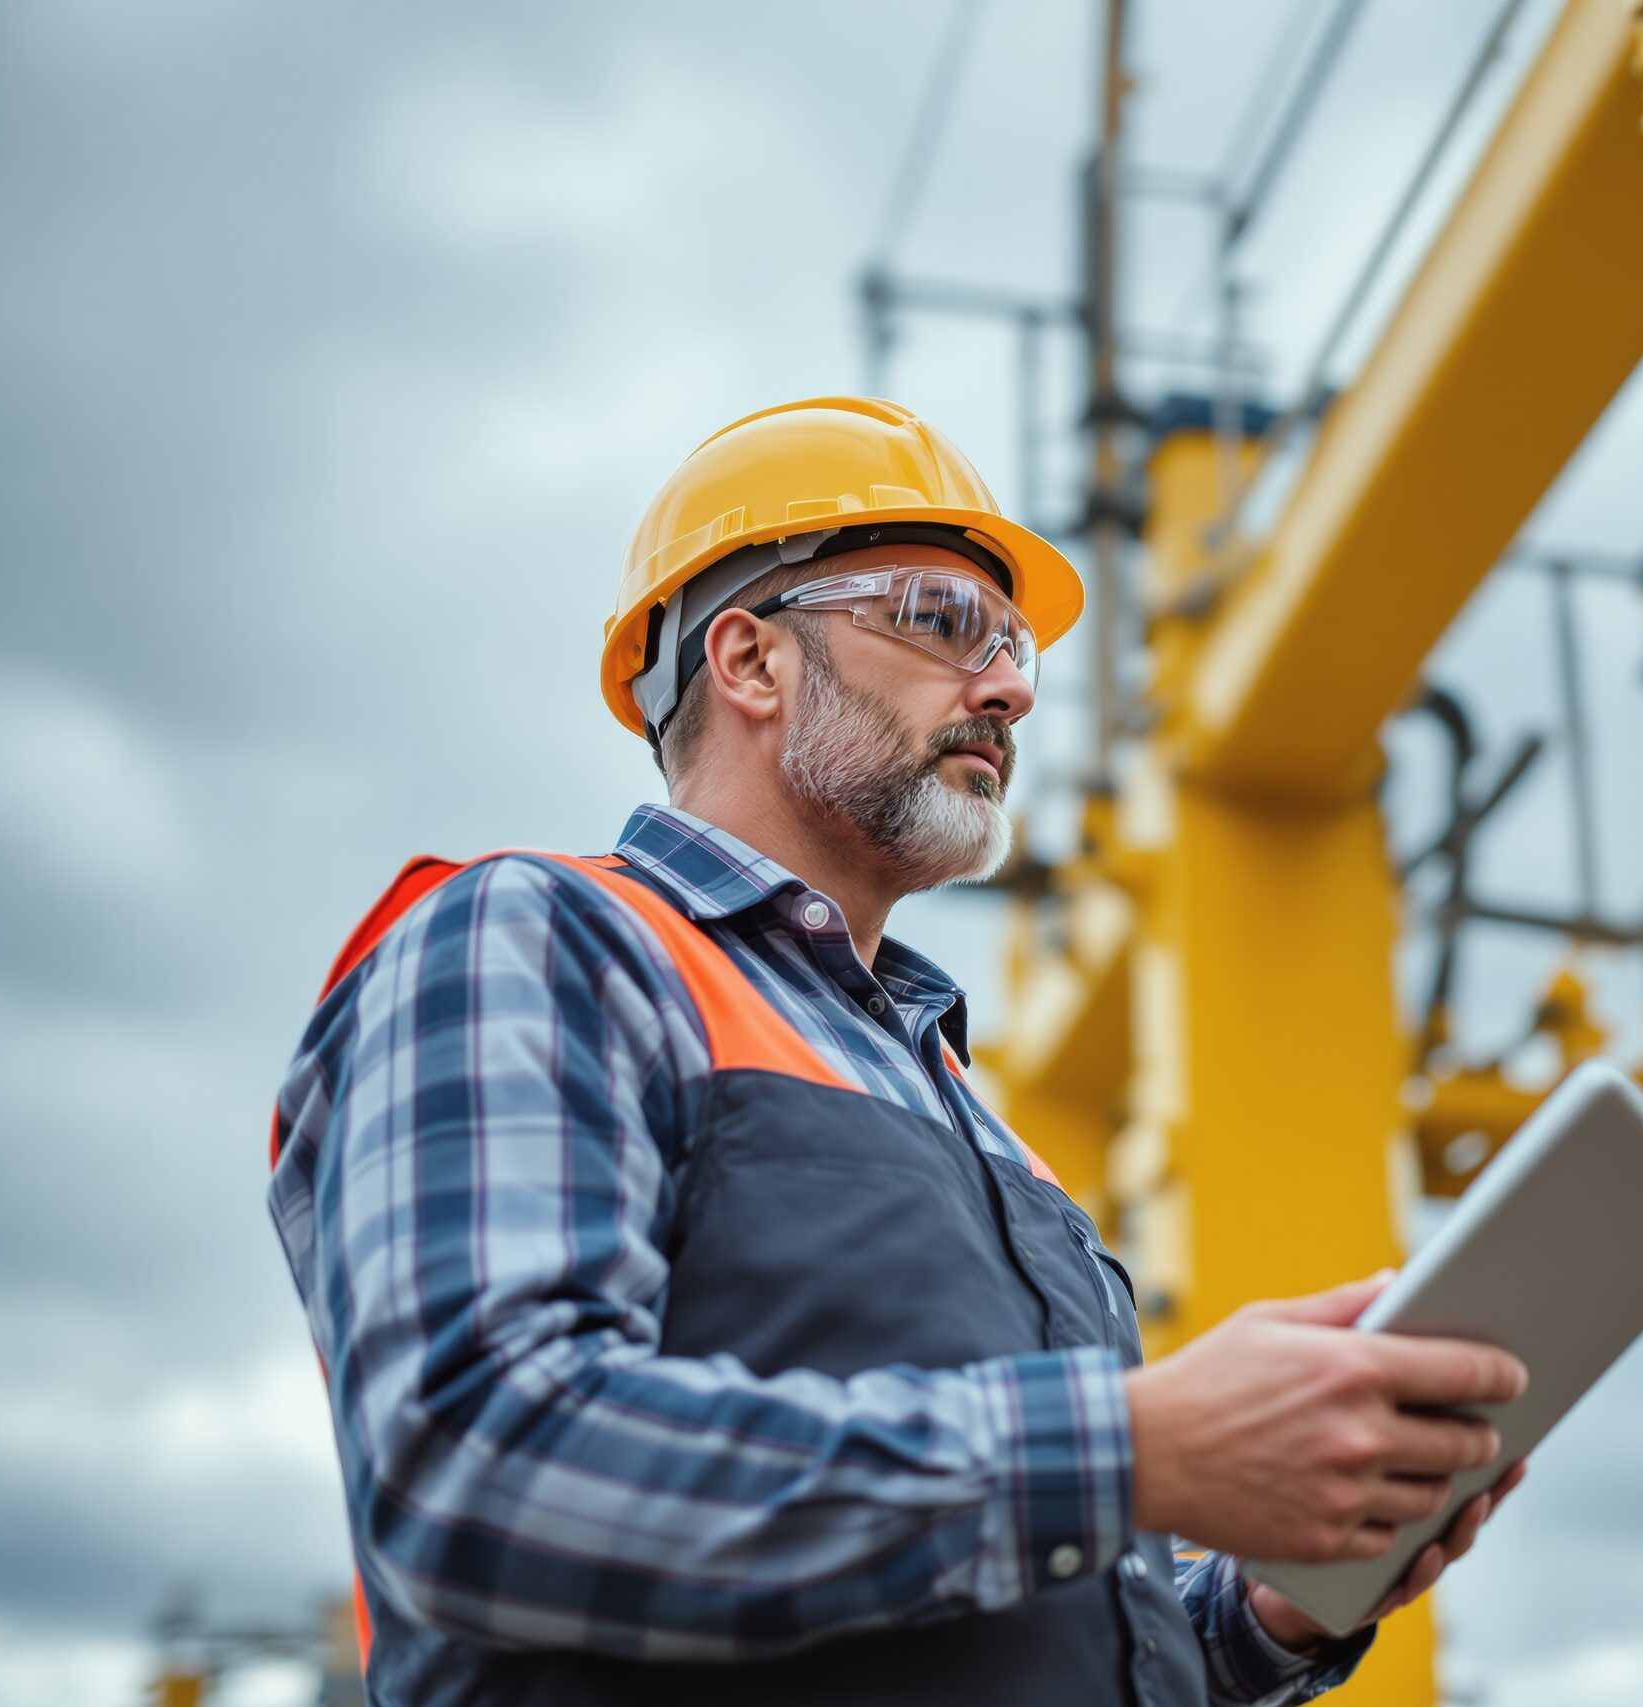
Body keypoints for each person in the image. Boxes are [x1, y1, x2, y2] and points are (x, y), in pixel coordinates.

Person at [268, 396, 1528, 1706]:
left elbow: (1039, 1637)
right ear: (751, 662)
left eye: (1016, 643)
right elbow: (481, 1468)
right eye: (941, 621)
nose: (1012, 687)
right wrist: (1130, 1449)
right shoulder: (536, 938)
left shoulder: (968, 1113)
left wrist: (1277, 1607)